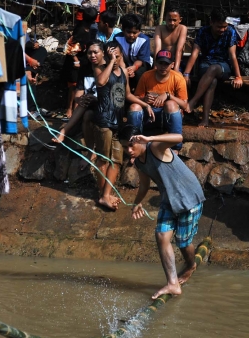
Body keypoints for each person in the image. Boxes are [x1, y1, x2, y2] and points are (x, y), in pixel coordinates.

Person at [118, 125, 205, 299]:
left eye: (131, 146)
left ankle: (190, 265)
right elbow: (143, 185)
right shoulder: (140, 163)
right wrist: (137, 203)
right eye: (125, 147)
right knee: (161, 236)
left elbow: (178, 137)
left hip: (189, 198)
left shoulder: (155, 147)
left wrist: (149, 138)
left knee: (183, 242)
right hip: (169, 200)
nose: (129, 151)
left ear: (140, 140)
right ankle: (173, 284)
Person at [83, 41, 153, 210]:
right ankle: (103, 195)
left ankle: (107, 193)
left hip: (116, 123)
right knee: (103, 160)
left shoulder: (122, 72)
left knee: (116, 160)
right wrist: (110, 62)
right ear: (107, 56)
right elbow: (100, 83)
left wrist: (145, 104)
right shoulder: (100, 69)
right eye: (112, 56)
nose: (116, 59)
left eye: (119, 55)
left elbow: (127, 94)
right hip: (104, 122)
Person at [182, 8, 243, 128]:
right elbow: (194, 53)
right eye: (219, 27)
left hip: (223, 66)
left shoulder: (230, 31)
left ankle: (193, 101)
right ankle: (205, 119)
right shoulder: (203, 32)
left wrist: (238, 76)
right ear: (211, 23)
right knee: (212, 81)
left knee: (214, 69)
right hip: (206, 63)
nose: (222, 29)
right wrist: (186, 74)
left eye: (224, 26)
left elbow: (232, 55)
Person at [127, 50, 188, 151]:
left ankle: (175, 147)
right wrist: (144, 99)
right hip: (149, 114)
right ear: (155, 63)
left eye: (166, 64)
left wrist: (168, 96)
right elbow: (135, 98)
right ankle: (134, 145)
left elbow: (185, 106)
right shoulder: (146, 76)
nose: (163, 67)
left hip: (167, 115)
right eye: (160, 63)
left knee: (171, 104)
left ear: (172, 65)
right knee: (134, 107)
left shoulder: (178, 78)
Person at [62, 7, 98, 119]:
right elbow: (70, 47)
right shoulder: (80, 30)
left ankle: (76, 109)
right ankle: (69, 108)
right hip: (75, 61)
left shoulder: (90, 30)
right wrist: (76, 61)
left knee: (78, 85)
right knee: (73, 86)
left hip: (82, 61)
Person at [114, 14, 152, 91]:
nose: (131, 35)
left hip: (140, 64)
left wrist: (133, 68)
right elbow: (119, 56)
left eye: (135, 33)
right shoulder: (117, 38)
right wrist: (124, 70)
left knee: (139, 74)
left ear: (139, 31)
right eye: (128, 32)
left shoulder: (144, 40)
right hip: (124, 63)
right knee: (119, 73)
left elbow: (141, 59)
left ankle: (139, 93)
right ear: (123, 29)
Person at [154, 8, 187, 73]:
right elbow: (157, 48)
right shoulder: (159, 28)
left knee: (178, 78)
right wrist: (155, 66)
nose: (172, 23)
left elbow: (179, 50)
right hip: (162, 60)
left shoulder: (182, 28)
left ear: (180, 19)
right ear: (165, 18)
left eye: (174, 20)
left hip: (175, 61)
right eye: (169, 20)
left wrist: (176, 68)